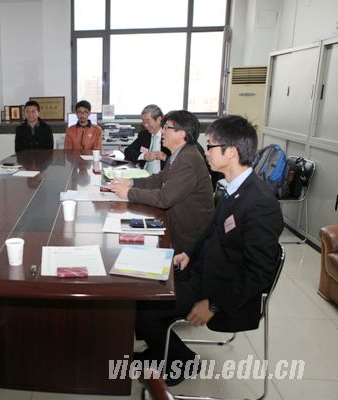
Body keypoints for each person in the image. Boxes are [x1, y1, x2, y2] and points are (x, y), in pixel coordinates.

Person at [133, 115, 284, 385]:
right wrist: (189, 253)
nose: (206, 152)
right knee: (142, 288)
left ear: (231, 152)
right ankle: (161, 351)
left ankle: (182, 361)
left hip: (220, 289)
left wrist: (214, 304)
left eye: (211, 146)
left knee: (142, 310)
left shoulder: (260, 203)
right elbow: (211, 231)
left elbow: (259, 272)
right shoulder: (233, 188)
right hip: (203, 271)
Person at [108, 110, 214, 255]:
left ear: (181, 133)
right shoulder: (180, 153)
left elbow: (164, 198)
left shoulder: (188, 159)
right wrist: (131, 183)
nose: (162, 131)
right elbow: (158, 180)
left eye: (167, 127)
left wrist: (129, 193)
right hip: (175, 223)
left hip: (189, 236)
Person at [124, 104, 171, 174]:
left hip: (162, 176)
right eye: (143, 122)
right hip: (143, 174)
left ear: (159, 119)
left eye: (148, 122)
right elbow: (128, 151)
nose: (146, 125)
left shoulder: (169, 137)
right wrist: (144, 156)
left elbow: (180, 162)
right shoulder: (144, 135)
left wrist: (165, 158)